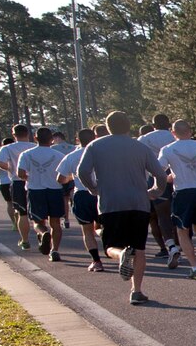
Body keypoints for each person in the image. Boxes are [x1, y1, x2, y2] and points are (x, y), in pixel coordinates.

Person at [78, 112, 170, 305]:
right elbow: (160, 175)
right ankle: (136, 290)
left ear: (108, 126)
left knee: (111, 246)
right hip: (139, 203)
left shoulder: (95, 146)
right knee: (139, 248)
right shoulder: (140, 146)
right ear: (128, 126)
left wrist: (93, 188)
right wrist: (155, 191)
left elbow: (82, 171)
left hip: (111, 203)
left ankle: (121, 256)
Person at [159, 120, 196, 279]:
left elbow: (159, 171)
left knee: (182, 230)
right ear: (190, 131)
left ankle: (195, 267)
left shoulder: (168, 149)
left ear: (173, 133)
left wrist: (168, 178)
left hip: (183, 191)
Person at [16, 128, 70, 262]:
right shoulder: (59, 155)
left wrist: (30, 177)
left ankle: (44, 233)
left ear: (35, 138)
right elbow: (64, 175)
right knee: (56, 222)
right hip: (55, 190)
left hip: (36, 190)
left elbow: (20, 173)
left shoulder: (26, 154)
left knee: (37, 222)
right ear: (51, 139)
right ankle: (55, 250)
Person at [58, 128, 106, 272]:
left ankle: (96, 261)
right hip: (103, 193)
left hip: (82, 194)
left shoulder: (71, 156)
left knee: (87, 230)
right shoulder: (104, 154)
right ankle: (113, 249)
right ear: (95, 138)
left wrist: (73, 177)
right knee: (106, 225)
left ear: (77, 140)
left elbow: (61, 178)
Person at [138, 113, 178, 258]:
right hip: (176, 177)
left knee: (159, 216)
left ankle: (166, 247)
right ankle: (179, 243)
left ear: (153, 125)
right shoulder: (175, 135)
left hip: (153, 178)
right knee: (177, 214)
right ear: (169, 124)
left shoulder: (144, 139)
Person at [0, 125, 35, 248]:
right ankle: (41, 235)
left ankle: (25, 240)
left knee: (22, 213)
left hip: (17, 182)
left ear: (14, 135)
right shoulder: (34, 147)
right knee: (38, 213)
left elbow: (0, 163)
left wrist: (12, 168)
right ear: (28, 134)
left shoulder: (7, 148)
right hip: (34, 182)